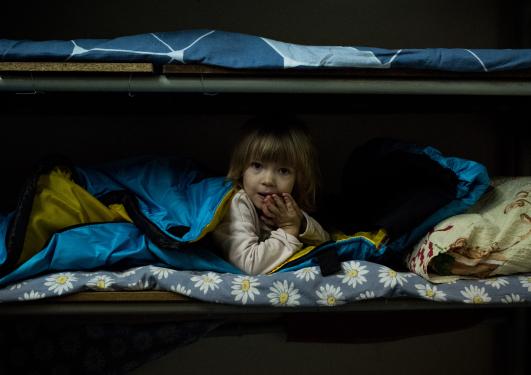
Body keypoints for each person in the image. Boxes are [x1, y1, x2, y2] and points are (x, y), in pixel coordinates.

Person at [212, 116, 330, 275]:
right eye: (257, 165)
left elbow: (325, 241)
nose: (268, 181)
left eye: (283, 171)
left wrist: (299, 222)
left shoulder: (282, 203)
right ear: (242, 168)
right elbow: (250, 264)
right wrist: (288, 230)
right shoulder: (238, 202)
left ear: (298, 179)